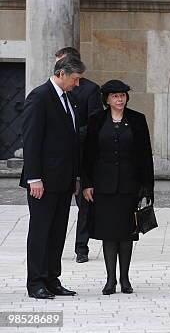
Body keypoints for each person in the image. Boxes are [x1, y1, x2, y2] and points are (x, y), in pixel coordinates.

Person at [20, 54, 84, 299]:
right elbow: (32, 140)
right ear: (62, 74)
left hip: (63, 180)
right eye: (75, 79)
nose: (77, 84)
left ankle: (52, 279)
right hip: (43, 182)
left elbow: (72, 141)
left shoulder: (69, 99)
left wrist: (76, 176)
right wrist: (34, 177)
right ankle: (35, 281)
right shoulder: (40, 97)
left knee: (57, 232)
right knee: (41, 231)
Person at [81, 80, 154, 295]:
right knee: (108, 233)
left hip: (129, 186)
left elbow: (145, 156)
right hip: (103, 186)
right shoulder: (96, 120)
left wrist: (147, 187)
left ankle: (125, 278)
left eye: (122, 95)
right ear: (107, 99)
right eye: (115, 96)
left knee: (126, 233)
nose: (119, 99)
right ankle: (110, 279)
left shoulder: (137, 120)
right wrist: (87, 184)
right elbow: (87, 156)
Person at [55, 47, 104, 264]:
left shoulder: (90, 89)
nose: (57, 68)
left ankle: (81, 247)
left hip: (82, 154)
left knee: (85, 203)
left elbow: (94, 122)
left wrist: (75, 134)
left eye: (61, 62)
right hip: (60, 157)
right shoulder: (52, 91)